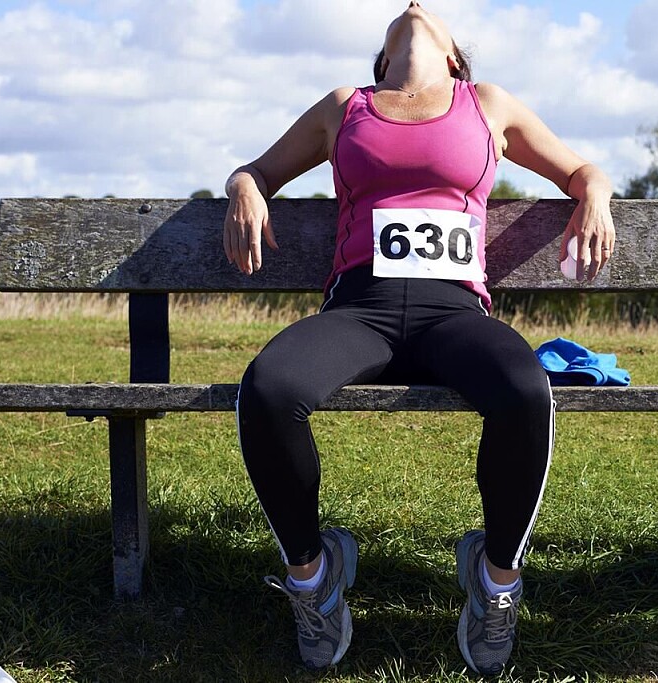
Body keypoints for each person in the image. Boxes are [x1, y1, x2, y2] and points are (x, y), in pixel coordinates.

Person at [223, 1, 615, 674]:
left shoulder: (485, 103)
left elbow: (583, 172)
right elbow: (256, 170)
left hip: (454, 316)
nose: (412, 4)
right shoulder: (344, 106)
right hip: (359, 311)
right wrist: (244, 188)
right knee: (268, 388)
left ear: (455, 57)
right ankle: (313, 579)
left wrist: (597, 198)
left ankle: (495, 582)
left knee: (526, 391)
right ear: (381, 62)